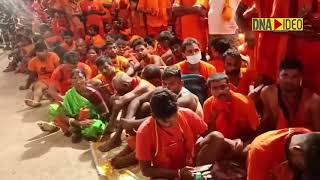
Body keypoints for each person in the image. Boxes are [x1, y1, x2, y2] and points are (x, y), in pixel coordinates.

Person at [136, 88, 207, 179]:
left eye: (175, 117)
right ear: (154, 116)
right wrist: (178, 173)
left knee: (216, 137)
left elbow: (206, 135)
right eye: (167, 122)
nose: (172, 124)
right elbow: (145, 170)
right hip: (168, 173)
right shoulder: (144, 131)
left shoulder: (186, 113)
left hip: (192, 166)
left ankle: (199, 175)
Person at [38, 69, 108, 143]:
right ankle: (72, 129)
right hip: (75, 120)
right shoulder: (69, 94)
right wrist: (77, 123)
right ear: (70, 81)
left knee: (94, 128)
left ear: (86, 79)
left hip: (91, 120)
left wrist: (97, 121)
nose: (78, 81)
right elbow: (65, 114)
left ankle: (77, 131)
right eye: (74, 78)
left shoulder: (93, 93)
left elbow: (105, 112)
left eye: (80, 78)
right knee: (53, 109)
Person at [98, 73, 156, 152]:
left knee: (142, 105)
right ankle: (115, 133)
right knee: (126, 103)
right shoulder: (131, 84)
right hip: (143, 114)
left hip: (155, 115)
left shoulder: (142, 85)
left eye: (120, 91)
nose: (118, 93)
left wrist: (127, 119)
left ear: (126, 85)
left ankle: (117, 136)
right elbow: (118, 99)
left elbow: (120, 101)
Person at [260, 60, 320, 132]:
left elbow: (318, 132)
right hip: (278, 138)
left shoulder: (313, 100)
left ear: (301, 79)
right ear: (278, 77)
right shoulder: (268, 93)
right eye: (285, 76)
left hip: (305, 140)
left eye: (294, 77)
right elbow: (266, 122)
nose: (289, 80)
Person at [247, 128, 320, 180]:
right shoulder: (260, 153)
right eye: (303, 166)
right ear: (297, 150)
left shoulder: (305, 136)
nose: (304, 170)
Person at [203, 73, 260, 139]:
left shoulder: (244, 102)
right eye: (215, 88)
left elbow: (256, 130)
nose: (220, 91)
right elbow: (207, 134)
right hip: (219, 142)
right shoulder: (208, 104)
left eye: (223, 87)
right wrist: (214, 117)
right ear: (210, 91)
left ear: (229, 86)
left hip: (242, 143)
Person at [24, 42, 60, 107]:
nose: (39, 53)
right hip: (44, 81)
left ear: (46, 50)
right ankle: (36, 101)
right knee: (37, 86)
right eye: (37, 51)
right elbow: (31, 76)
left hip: (55, 79)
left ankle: (48, 94)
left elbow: (60, 70)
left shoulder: (53, 56)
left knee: (53, 93)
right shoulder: (33, 61)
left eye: (41, 51)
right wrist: (27, 86)